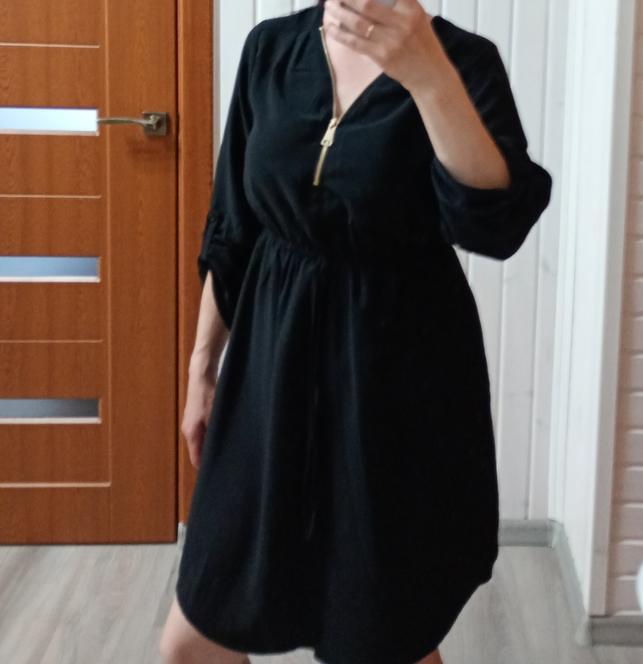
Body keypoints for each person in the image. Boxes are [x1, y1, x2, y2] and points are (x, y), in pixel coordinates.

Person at [159, 0, 552, 663]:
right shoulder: (271, 50)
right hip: (270, 368)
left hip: (395, 383)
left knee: (379, 632)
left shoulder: (464, 63)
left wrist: (428, 76)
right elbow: (233, 226)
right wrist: (202, 369)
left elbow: (493, 225)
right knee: (194, 639)